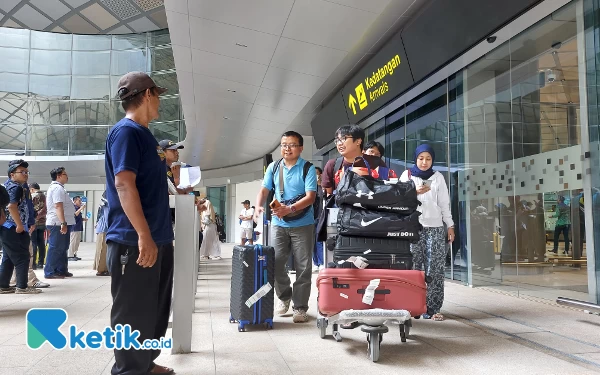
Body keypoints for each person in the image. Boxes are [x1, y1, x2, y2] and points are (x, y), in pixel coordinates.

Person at [105, 71, 174, 375]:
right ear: (147, 95)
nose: (159, 100)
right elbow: (123, 185)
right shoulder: (126, 132)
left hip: (157, 236)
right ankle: (129, 370)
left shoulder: (145, 135)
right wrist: (143, 235)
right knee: (132, 311)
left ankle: (145, 363)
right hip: (134, 240)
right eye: (157, 94)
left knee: (155, 308)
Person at [254, 131, 317, 323]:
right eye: (283, 145)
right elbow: (264, 189)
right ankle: (284, 297)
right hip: (278, 224)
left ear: (300, 147)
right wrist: (258, 205)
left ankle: (300, 307)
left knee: (303, 266)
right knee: (275, 263)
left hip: (303, 223)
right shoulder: (273, 167)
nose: (286, 148)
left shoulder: (308, 168)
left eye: (291, 145)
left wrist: (289, 209)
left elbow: (311, 197)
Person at [400, 144, 454, 321]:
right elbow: (397, 199)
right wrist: (413, 192)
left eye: (428, 158)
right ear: (415, 159)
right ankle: (413, 306)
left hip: (436, 228)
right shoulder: (407, 175)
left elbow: (444, 204)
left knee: (435, 269)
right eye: (421, 158)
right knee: (413, 269)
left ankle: (433, 308)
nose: (424, 162)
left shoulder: (438, 177)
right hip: (412, 227)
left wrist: (450, 225)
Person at [0, 160, 41, 294]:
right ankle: (22, 287)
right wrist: (19, 225)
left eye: (26, 172)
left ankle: (3, 285)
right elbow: (11, 207)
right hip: (13, 227)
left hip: (7, 227)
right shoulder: (16, 187)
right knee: (22, 256)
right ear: (12, 174)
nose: (25, 174)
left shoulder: (7, 185)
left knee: (8, 257)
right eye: (22, 172)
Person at [44, 167, 75, 279]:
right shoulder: (57, 188)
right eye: (65, 174)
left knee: (63, 247)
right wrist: (63, 223)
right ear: (58, 176)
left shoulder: (60, 188)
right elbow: (58, 206)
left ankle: (61, 270)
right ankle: (50, 271)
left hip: (62, 222)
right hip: (57, 223)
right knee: (56, 247)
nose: (67, 176)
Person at [30, 182, 47, 269]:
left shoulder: (33, 196)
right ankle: (41, 262)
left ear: (32, 189)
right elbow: (45, 209)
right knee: (41, 243)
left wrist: (34, 219)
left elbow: (30, 209)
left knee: (33, 242)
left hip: (34, 223)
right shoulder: (44, 196)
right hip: (42, 222)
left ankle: (33, 263)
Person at [93, 192, 109, 276]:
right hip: (104, 228)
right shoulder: (107, 202)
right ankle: (101, 270)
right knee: (102, 249)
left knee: (103, 249)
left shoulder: (104, 202)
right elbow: (107, 216)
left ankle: (103, 268)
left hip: (102, 227)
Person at [312, 167, 325, 271]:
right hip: (310, 218)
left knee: (319, 241)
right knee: (311, 242)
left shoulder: (322, 187)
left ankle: (321, 262)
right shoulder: (309, 187)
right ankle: (315, 262)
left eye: (316, 173)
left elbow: (322, 198)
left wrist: (320, 184)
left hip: (320, 217)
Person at [68, 196, 87, 261]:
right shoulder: (73, 207)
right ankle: (70, 255)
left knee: (77, 242)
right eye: (79, 201)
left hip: (78, 227)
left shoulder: (78, 208)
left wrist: (83, 219)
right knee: (73, 241)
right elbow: (74, 215)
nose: (80, 202)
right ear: (75, 201)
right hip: (74, 227)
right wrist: (81, 208)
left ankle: (74, 254)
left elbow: (77, 217)